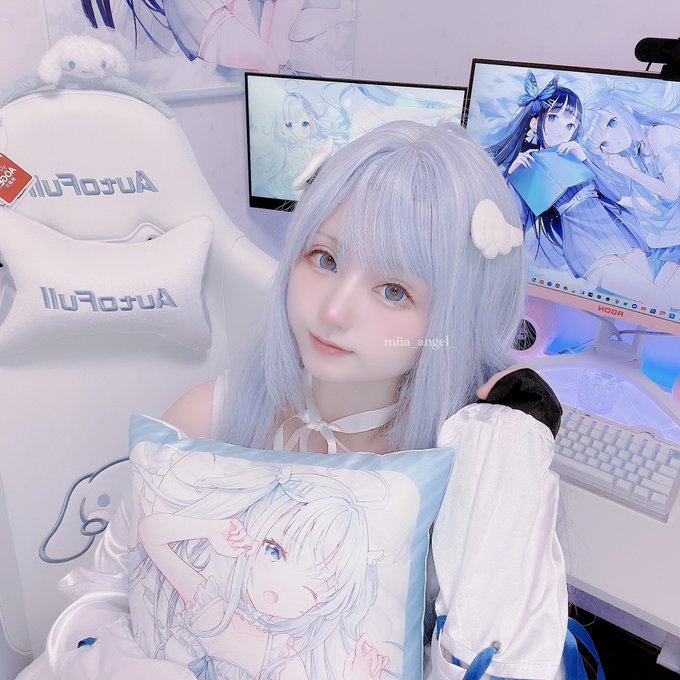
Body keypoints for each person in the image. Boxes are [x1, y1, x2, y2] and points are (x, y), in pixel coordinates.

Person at [18, 121, 567, 679]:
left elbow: (499, 662)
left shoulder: (468, 475)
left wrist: (509, 473)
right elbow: (102, 597)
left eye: (393, 291)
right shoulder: (207, 418)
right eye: (324, 259)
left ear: (455, 316)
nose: (333, 310)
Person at [488, 71, 670, 308]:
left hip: (618, 233)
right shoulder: (528, 167)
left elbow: (614, 194)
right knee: (659, 301)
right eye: (554, 118)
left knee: (647, 307)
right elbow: (513, 225)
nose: (561, 130)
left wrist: (586, 160)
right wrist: (511, 178)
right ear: (535, 122)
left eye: (570, 124)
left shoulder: (575, 154)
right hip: (586, 245)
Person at [581, 84, 680, 307]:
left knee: (661, 301)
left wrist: (629, 171)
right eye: (603, 143)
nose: (613, 140)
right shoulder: (639, 150)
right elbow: (655, 204)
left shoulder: (659, 134)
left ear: (624, 107)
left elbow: (672, 193)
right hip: (668, 240)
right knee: (654, 301)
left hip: (673, 240)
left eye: (611, 123)